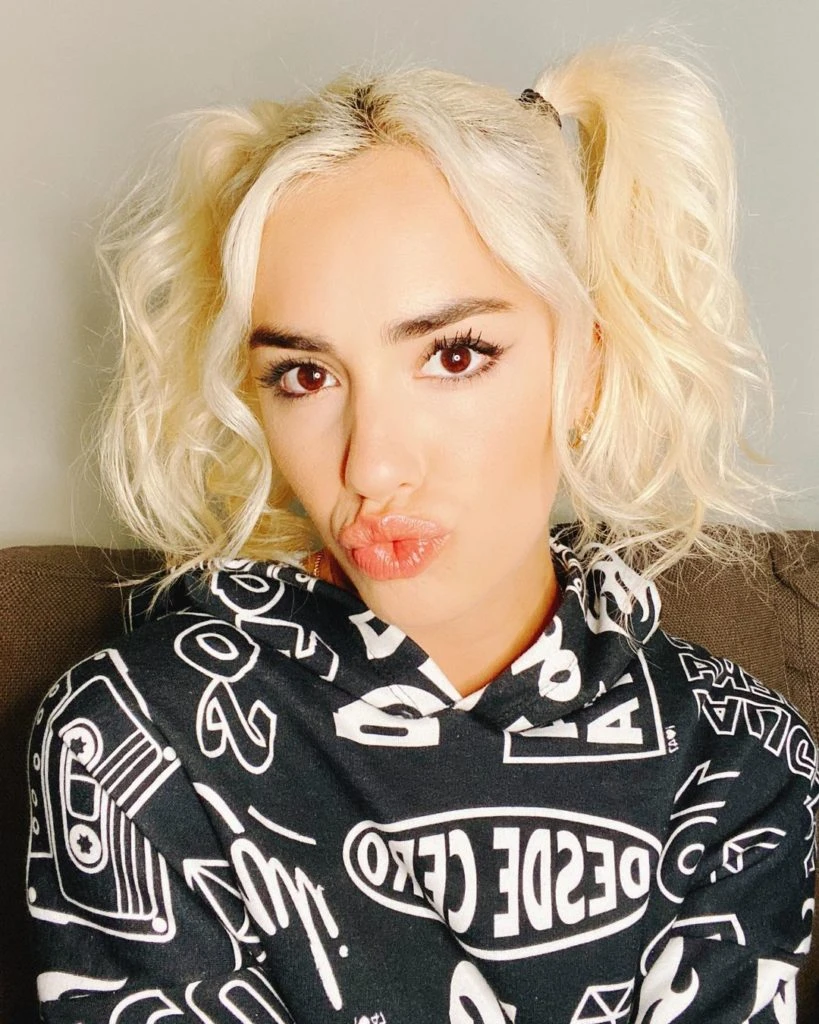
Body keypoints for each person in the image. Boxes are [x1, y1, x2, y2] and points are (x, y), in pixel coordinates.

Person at [25, 41, 817, 1023]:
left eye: (454, 354)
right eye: (305, 375)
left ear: (585, 370)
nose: (371, 465)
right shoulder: (138, 737)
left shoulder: (737, 757)